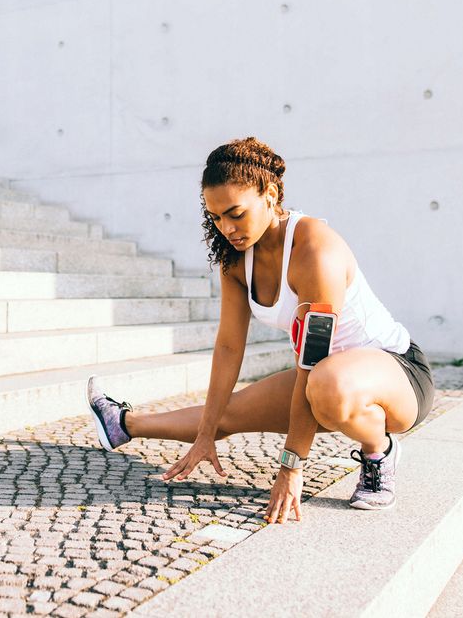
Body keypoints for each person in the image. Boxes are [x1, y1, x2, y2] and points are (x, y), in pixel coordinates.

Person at [85, 136, 434, 523]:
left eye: (235, 213)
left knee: (327, 383)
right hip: (324, 375)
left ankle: (378, 451)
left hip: (397, 376)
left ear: (269, 194)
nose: (227, 228)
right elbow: (229, 347)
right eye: (215, 217)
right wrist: (205, 435)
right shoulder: (235, 259)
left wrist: (291, 467)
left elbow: (311, 357)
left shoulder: (315, 251)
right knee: (226, 415)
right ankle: (123, 424)